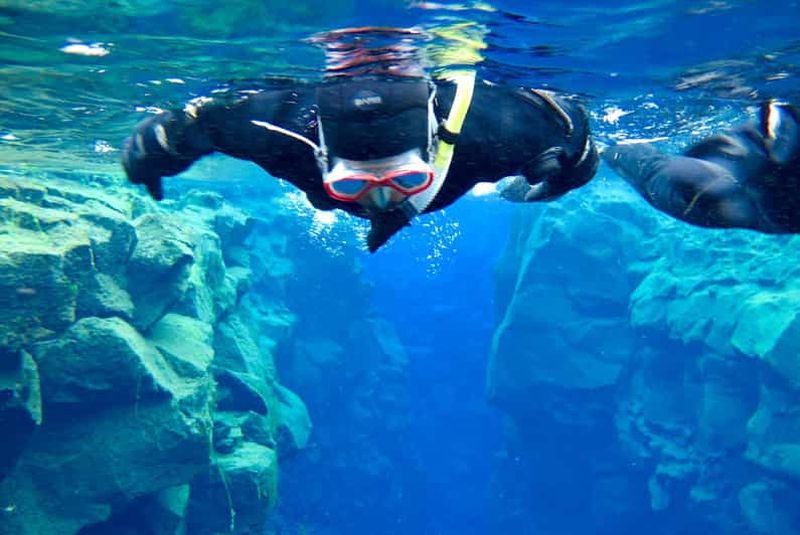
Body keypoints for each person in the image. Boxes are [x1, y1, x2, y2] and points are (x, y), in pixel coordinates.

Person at [122, 57, 598, 252]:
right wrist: (149, 155)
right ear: (323, 158)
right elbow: (184, 130)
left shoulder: (490, 129)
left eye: (404, 180)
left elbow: (574, 134)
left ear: (435, 145)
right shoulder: (278, 128)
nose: (381, 198)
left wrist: (554, 178)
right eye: (353, 185)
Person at [603, 100, 800, 233]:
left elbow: (650, 169)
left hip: (731, 190)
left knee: (701, 188)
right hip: (747, 188)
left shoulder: (710, 191)